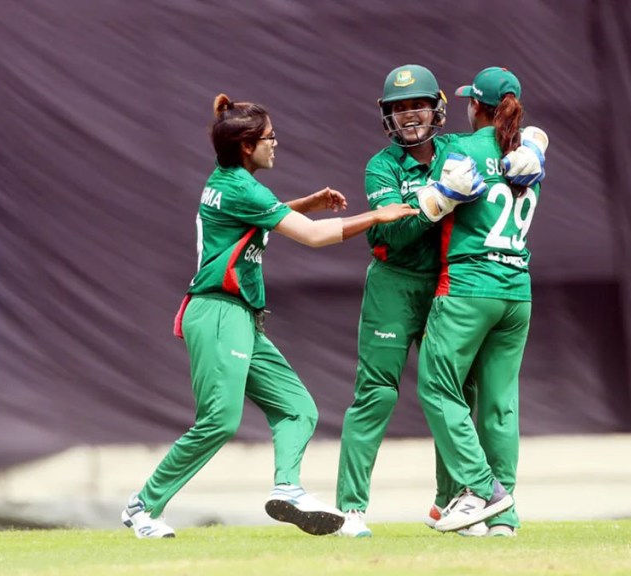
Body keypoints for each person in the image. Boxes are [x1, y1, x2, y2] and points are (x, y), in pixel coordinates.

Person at [120, 92, 430, 539]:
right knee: (219, 420)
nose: (275, 144)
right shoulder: (241, 186)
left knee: (297, 410)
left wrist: (305, 202)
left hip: (240, 316)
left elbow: (260, 217)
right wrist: (377, 215)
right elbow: (314, 238)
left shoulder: (230, 178)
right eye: (269, 137)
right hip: (218, 312)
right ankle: (143, 505)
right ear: (246, 146)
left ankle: (287, 489)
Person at [334, 64, 547, 538]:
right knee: (376, 394)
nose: (409, 116)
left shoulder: (458, 147)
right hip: (394, 285)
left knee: (461, 393)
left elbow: (507, 134)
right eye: (399, 108)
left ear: (438, 109)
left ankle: (455, 501)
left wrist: (535, 143)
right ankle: (351, 509)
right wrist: (438, 202)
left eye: (417, 106)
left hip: (451, 285)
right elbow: (388, 235)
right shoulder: (381, 165)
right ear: (386, 115)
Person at [417, 66, 548, 537]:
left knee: (436, 387)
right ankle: (505, 519)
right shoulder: (524, 151)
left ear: (476, 106)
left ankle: (484, 490)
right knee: (500, 404)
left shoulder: (458, 147)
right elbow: (535, 137)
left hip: (469, 287)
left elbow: (429, 208)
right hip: (518, 290)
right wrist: (536, 141)